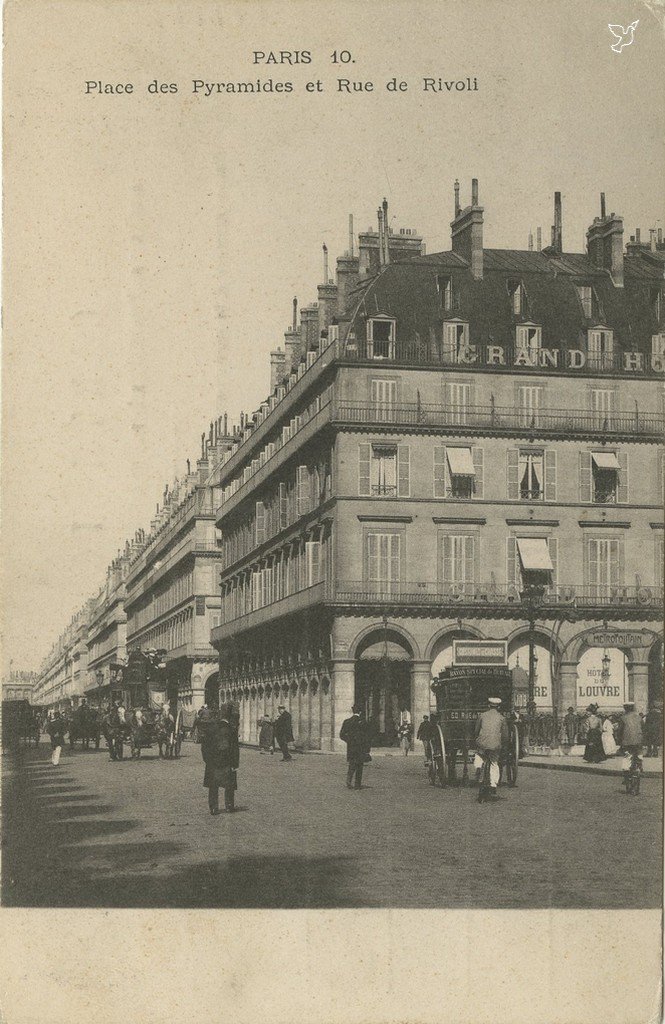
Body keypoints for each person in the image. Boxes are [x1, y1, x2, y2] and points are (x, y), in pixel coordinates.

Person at [200, 703, 240, 814]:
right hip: (227, 761)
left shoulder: (211, 727)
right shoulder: (231, 730)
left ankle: (213, 807)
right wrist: (235, 764)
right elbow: (234, 749)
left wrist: (207, 760)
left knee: (213, 785)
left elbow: (204, 746)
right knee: (229, 785)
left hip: (213, 761)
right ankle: (229, 805)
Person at [474, 697, 509, 799]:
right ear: (498, 707)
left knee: (479, 756)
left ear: (488, 706)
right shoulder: (502, 718)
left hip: (482, 744)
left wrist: (477, 738)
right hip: (495, 745)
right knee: (494, 763)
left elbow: (476, 730)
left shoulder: (482, 716)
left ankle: (478, 770)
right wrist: (503, 744)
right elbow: (505, 735)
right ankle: (493, 785)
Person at [340, 704, 371, 789]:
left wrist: (349, 741)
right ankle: (357, 784)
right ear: (360, 712)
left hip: (351, 747)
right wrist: (367, 748)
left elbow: (341, 735)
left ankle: (348, 782)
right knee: (359, 766)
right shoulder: (363, 722)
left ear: (353, 711)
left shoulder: (347, 721)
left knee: (351, 765)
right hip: (360, 748)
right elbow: (367, 737)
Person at [616, 701, 643, 785]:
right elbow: (644, 729)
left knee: (627, 758)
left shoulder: (622, 718)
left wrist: (619, 741)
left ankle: (626, 777)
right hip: (638, 742)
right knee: (639, 755)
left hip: (627, 743)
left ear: (625, 708)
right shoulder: (639, 717)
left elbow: (619, 732)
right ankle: (639, 768)